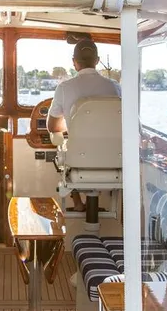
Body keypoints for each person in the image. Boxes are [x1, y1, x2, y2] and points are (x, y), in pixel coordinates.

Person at [47, 39, 121, 211]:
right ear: (97, 60)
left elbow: (52, 127)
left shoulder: (64, 88)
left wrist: (74, 125)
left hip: (79, 161)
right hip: (113, 161)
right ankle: (87, 204)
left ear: (74, 62)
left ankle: (78, 203)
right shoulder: (115, 88)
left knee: (66, 152)